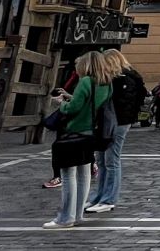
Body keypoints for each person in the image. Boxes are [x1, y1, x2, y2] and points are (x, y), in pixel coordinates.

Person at [44, 51, 113, 229]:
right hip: (91, 133)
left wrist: (62, 103)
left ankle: (66, 217)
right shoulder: (106, 84)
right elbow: (92, 104)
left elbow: (73, 108)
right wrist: (73, 98)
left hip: (75, 131)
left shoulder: (85, 81)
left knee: (68, 175)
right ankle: (78, 214)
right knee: (84, 174)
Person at [86, 50, 143, 213]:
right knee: (103, 160)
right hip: (111, 122)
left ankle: (108, 199)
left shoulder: (124, 79)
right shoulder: (121, 78)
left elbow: (121, 103)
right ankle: (98, 197)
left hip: (118, 122)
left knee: (111, 160)